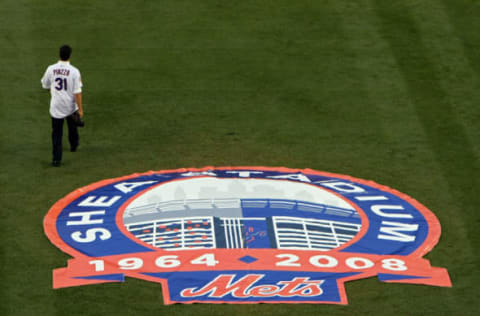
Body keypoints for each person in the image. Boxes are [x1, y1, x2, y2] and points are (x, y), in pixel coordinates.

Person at [41, 45, 83, 167]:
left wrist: (53, 93)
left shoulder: (50, 69)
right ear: (70, 55)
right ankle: (73, 146)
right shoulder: (75, 71)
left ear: (59, 54)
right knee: (73, 128)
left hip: (56, 107)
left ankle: (56, 159)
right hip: (70, 107)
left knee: (56, 134)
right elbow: (77, 92)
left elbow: (45, 85)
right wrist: (80, 109)